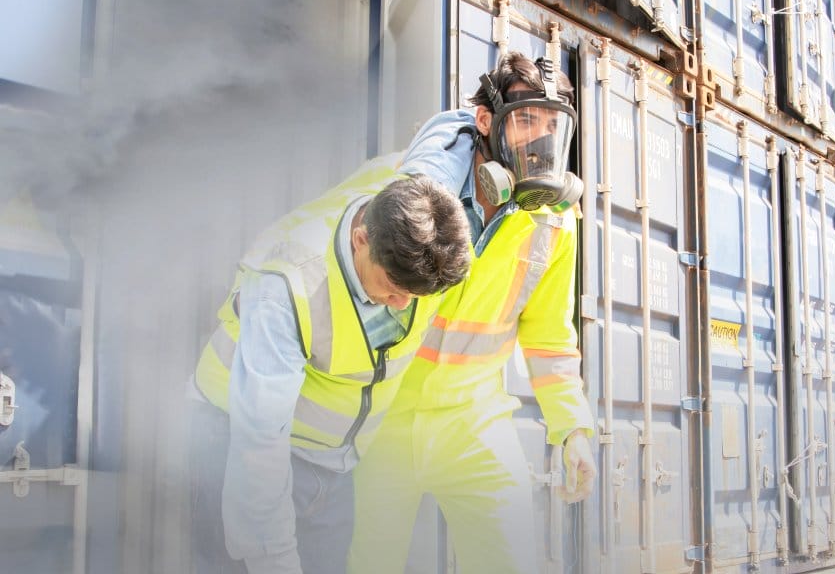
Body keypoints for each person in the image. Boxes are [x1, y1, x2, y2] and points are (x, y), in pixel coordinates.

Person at [347, 52, 597, 574]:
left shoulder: (553, 223)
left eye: (552, 125)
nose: (538, 139)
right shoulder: (411, 195)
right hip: (386, 417)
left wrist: (574, 429)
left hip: (477, 423)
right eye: (525, 119)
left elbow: (550, 338)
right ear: (486, 121)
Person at [189, 156, 471, 574]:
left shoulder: (415, 212)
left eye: (417, 294)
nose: (403, 305)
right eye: (393, 288)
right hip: (235, 434)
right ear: (361, 239)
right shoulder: (286, 283)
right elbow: (260, 443)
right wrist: (274, 558)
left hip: (333, 460)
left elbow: (451, 141)